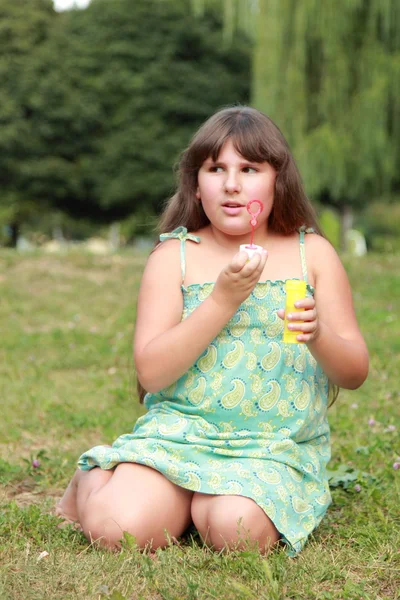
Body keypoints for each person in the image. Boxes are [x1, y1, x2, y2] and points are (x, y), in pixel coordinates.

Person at [56, 106, 369, 556]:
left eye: (249, 169)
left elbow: (354, 372)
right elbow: (152, 371)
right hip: (179, 436)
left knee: (235, 532)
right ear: (196, 185)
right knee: (118, 530)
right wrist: (222, 299)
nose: (232, 183)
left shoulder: (311, 255)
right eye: (215, 168)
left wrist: (317, 335)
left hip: (270, 449)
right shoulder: (176, 258)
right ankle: (93, 479)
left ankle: (204, 503)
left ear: (278, 181)